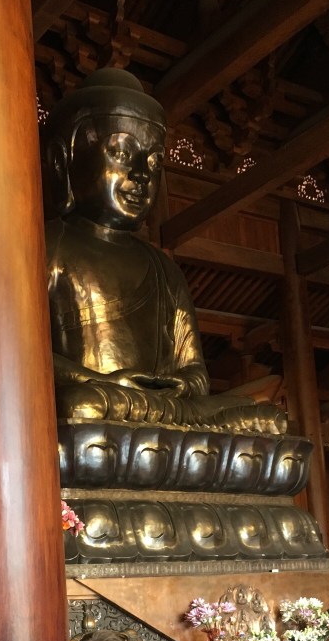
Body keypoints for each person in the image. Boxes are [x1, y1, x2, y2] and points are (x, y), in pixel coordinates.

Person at [43, 68, 286, 435]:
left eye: (154, 160)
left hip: (160, 412)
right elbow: (22, 357)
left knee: (266, 419)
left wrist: (181, 385)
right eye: (122, 152)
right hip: (100, 401)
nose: (142, 174)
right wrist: (101, 380)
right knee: (82, 404)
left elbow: (196, 373)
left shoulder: (164, 268)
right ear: (64, 160)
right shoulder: (47, 246)